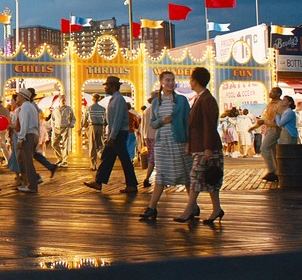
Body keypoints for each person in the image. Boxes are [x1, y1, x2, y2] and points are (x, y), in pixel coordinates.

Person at [175, 67, 225, 225]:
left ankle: (189, 209)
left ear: (195, 80)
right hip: (201, 146)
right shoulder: (200, 98)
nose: (190, 81)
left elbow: (209, 125)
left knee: (196, 177)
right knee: (211, 179)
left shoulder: (206, 99)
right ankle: (216, 209)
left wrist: (208, 147)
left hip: (206, 147)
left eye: (191, 78)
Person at [139, 72, 191, 220]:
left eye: (172, 80)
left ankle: (193, 205)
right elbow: (153, 123)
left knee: (185, 173)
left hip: (178, 141)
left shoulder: (181, 100)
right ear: (161, 82)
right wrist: (162, 121)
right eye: (167, 80)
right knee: (160, 174)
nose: (170, 83)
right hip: (162, 142)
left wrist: (188, 142)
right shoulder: (156, 102)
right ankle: (152, 207)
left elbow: (187, 122)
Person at [84, 76, 139, 194]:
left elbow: (117, 120)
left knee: (123, 159)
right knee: (108, 157)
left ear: (113, 86)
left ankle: (132, 184)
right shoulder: (114, 99)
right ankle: (99, 182)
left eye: (107, 85)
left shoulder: (118, 100)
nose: (105, 87)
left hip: (118, 133)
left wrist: (112, 136)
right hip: (115, 133)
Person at [250, 87, 282, 182]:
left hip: (275, 129)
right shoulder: (270, 104)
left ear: (278, 94)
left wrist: (264, 121)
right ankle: (277, 171)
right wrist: (255, 126)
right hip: (269, 129)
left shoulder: (279, 105)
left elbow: (276, 122)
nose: (270, 93)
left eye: (273, 92)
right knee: (272, 151)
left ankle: (272, 170)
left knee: (264, 149)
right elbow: (265, 117)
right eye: (271, 91)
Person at [14, 88, 41, 193]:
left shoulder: (25, 107)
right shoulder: (31, 107)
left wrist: (20, 138)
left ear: (22, 97)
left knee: (26, 161)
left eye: (17, 96)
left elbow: (24, 124)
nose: (16, 98)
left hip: (28, 135)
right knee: (21, 159)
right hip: (33, 134)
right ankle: (28, 182)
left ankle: (32, 185)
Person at [83, 93, 106, 170]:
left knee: (92, 145)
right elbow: (106, 120)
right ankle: (100, 155)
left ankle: (93, 164)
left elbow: (84, 120)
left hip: (92, 126)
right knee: (100, 144)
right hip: (101, 127)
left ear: (93, 99)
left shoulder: (89, 108)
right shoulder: (103, 109)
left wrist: (82, 126)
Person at [51, 95, 75, 167]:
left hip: (65, 128)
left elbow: (73, 118)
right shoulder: (55, 109)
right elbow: (52, 119)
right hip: (56, 128)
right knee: (54, 144)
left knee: (65, 145)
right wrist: (53, 127)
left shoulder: (69, 109)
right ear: (59, 101)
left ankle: (65, 161)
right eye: (62, 100)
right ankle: (59, 158)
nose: (64, 101)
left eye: (65, 100)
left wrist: (71, 124)